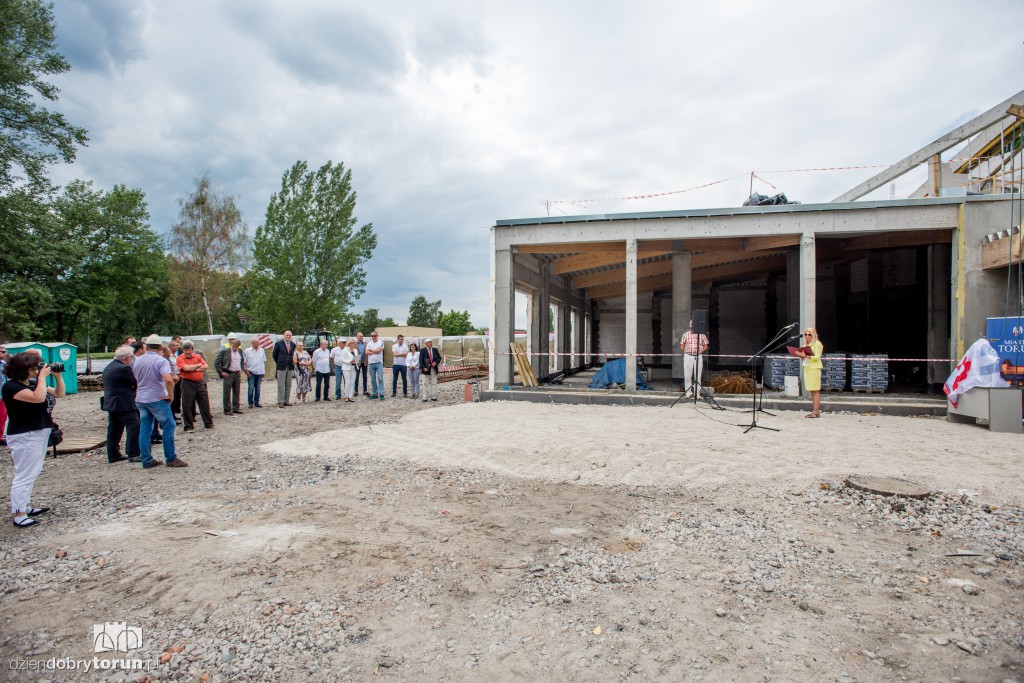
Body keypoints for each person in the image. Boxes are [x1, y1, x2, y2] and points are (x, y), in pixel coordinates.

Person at [2, 352, 65, 527]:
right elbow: (38, 398)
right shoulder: (11, 387)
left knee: (33, 471)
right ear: (24, 369)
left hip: (37, 432)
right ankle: (19, 513)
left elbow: (60, 393)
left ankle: (25, 506)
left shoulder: (30, 384)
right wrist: (43, 378)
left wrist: (58, 376)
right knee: (25, 474)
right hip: (25, 435)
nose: (38, 370)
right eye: (34, 367)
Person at [133, 334, 187, 469]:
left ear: (147, 346)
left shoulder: (138, 360)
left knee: (145, 428)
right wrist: (170, 395)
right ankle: (171, 458)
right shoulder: (160, 361)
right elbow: (168, 379)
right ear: (160, 347)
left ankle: (146, 459)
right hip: (156, 398)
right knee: (169, 425)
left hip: (141, 398)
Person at [101, 346, 141, 464]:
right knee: (134, 425)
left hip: (111, 402)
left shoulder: (109, 366)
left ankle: (113, 454)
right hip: (124, 403)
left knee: (114, 428)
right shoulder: (124, 369)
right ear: (128, 358)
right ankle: (133, 453)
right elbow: (134, 382)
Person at [177, 341, 214, 431]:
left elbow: (205, 366)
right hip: (187, 383)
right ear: (183, 350)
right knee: (187, 405)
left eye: (189, 350)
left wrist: (192, 368)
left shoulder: (197, 356)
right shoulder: (180, 358)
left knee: (204, 403)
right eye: (186, 350)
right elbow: (186, 368)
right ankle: (189, 426)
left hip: (199, 382)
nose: (188, 352)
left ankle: (208, 423)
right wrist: (197, 365)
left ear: (192, 349)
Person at [795, 328, 824, 418]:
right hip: (807, 368)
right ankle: (815, 411)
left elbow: (817, 357)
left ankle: (816, 412)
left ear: (813, 335)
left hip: (814, 369)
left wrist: (806, 355)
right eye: (806, 334)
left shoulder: (817, 344)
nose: (807, 336)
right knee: (812, 390)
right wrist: (801, 356)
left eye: (809, 334)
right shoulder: (805, 344)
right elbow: (805, 358)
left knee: (815, 390)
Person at [215, 334, 246, 416]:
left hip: (237, 373)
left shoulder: (240, 351)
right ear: (231, 345)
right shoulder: (225, 351)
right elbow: (216, 362)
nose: (235, 348)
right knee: (227, 392)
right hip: (228, 373)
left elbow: (242, 361)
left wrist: (241, 369)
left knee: (237, 391)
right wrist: (221, 372)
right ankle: (227, 409)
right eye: (234, 346)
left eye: (236, 347)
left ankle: (236, 408)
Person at [679, 320, 710, 398]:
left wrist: (699, 351)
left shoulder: (702, 335)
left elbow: (705, 346)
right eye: (692, 324)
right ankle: (688, 393)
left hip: (698, 356)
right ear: (690, 325)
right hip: (688, 356)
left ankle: (697, 393)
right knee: (687, 375)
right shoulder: (686, 335)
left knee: (698, 375)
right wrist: (688, 352)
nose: (693, 325)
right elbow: (682, 346)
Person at [273, 331, 296, 407]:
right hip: (281, 366)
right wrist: (279, 361)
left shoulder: (293, 344)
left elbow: (292, 355)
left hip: (289, 366)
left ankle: (286, 400)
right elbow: (275, 355)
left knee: (288, 384)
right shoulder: (278, 344)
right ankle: (281, 401)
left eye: (290, 335)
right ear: (283, 335)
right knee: (281, 385)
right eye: (287, 335)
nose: (288, 336)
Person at [242, 338, 266, 408]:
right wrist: (246, 370)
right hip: (251, 371)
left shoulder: (262, 350)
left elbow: (264, 361)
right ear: (252, 343)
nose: (257, 343)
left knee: (258, 388)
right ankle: (250, 402)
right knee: (251, 387)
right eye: (256, 342)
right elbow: (244, 362)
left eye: (258, 342)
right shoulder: (247, 351)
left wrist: (263, 371)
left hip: (260, 371)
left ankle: (257, 402)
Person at [365, 331, 385, 400]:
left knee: (380, 379)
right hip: (371, 363)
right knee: (373, 379)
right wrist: (374, 351)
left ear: (377, 336)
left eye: (374, 336)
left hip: (379, 363)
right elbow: (366, 352)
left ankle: (381, 393)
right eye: (372, 336)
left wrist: (371, 350)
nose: (373, 337)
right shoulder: (369, 343)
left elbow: (379, 351)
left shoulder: (381, 342)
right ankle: (375, 393)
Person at [353, 332, 368, 396]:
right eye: (360, 336)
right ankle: (356, 391)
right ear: (357, 337)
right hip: (357, 360)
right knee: (356, 376)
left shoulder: (365, 344)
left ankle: (365, 390)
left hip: (364, 361)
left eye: (362, 336)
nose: (361, 337)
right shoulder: (354, 344)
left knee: (365, 376)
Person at [0, 345, 8, 446]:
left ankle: (0, 436)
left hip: (3, 394)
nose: (5, 354)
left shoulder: (4, 364)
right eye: (3, 352)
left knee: (3, 416)